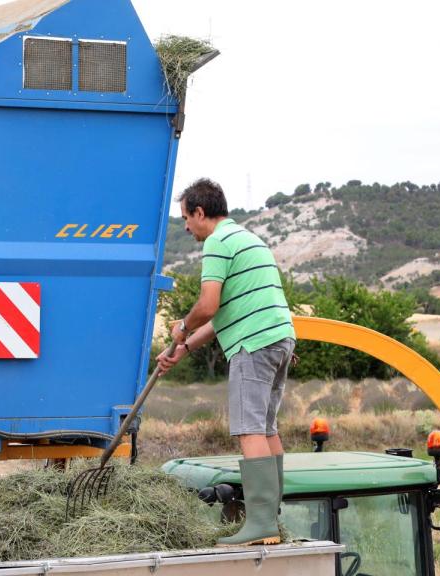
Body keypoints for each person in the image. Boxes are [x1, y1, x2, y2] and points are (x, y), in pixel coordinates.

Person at [157, 178, 296, 547]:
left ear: (201, 213)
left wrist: (182, 328)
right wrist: (184, 347)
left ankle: (261, 524)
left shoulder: (218, 242)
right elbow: (223, 318)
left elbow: (207, 306)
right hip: (279, 338)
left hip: (253, 344)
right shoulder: (249, 238)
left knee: (249, 429)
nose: (185, 226)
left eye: (186, 217)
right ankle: (271, 519)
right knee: (266, 429)